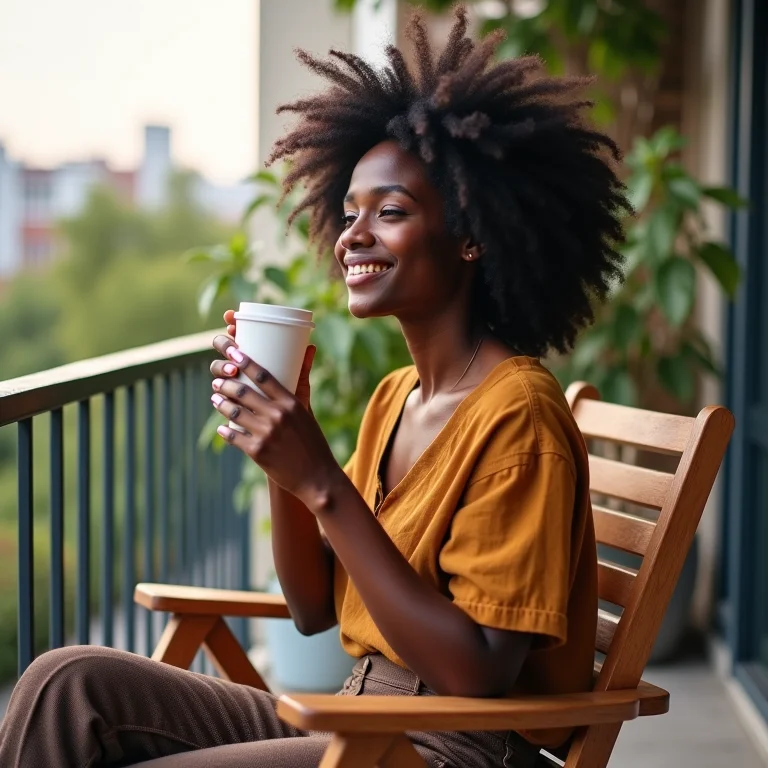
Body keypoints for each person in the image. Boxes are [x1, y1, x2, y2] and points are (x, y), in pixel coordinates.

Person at [0, 6, 629, 767]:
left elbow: (478, 674)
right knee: (67, 684)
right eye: (349, 212)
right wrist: (283, 451)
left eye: (389, 212)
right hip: (356, 719)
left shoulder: (518, 414)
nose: (353, 235)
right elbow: (310, 608)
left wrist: (323, 482)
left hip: (448, 749)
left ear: (472, 237)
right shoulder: (397, 397)